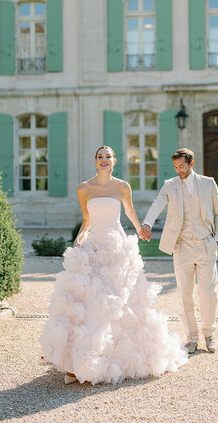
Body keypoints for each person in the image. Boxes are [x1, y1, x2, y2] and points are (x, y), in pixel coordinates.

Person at [39, 146, 187, 385]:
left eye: (108, 156)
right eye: (100, 156)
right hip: (95, 245)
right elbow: (87, 220)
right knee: (89, 299)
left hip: (117, 247)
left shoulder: (122, 187)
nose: (104, 160)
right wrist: (78, 240)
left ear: (114, 161)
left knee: (119, 300)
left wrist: (141, 229)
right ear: (95, 161)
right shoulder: (84, 188)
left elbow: (129, 211)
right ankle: (79, 362)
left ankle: (110, 358)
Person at [141, 148, 218, 354]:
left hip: (206, 243)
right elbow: (157, 204)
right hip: (182, 246)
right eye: (176, 167)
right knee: (184, 295)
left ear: (191, 164)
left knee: (208, 293)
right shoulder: (169, 185)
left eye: (181, 166)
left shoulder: (208, 183)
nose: (178, 170)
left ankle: (209, 333)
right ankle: (192, 337)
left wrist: (216, 240)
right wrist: (147, 224)